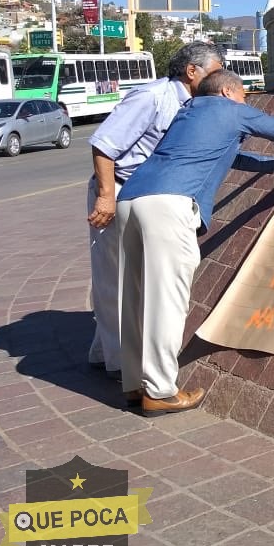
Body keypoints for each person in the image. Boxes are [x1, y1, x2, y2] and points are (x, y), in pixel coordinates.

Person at [117, 69, 274, 416]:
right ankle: (161, 391)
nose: (245, 103)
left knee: (135, 297)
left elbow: (229, 155)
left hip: (132, 199)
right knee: (166, 299)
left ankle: (136, 384)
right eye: (243, 96)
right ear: (228, 91)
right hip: (170, 203)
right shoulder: (230, 108)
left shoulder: (189, 113)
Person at [85, 42, 226, 380]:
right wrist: (105, 197)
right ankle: (123, 367)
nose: (219, 79)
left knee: (133, 278)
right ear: (192, 71)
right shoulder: (152, 97)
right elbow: (104, 146)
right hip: (118, 190)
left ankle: (105, 350)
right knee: (115, 278)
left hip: (150, 196)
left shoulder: (196, 106)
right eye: (215, 71)